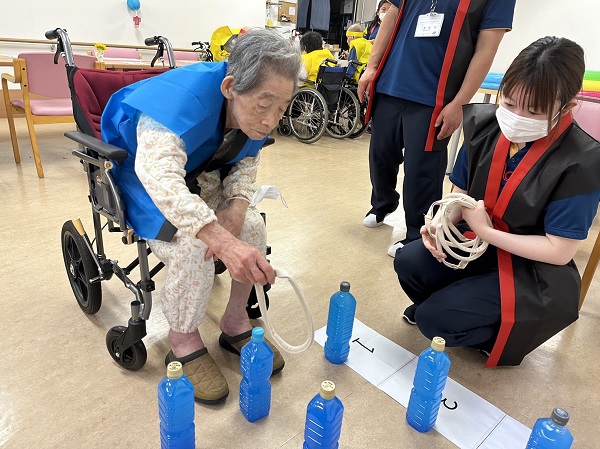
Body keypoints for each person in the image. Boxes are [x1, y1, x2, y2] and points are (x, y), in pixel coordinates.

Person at [100, 29, 302, 403]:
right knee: (193, 245)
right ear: (230, 87)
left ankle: (235, 321)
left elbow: (247, 159)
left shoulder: (253, 108)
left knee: (253, 228)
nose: (273, 119)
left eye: (283, 106)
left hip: (199, 167)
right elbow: (158, 176)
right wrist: (219, 239)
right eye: (266, 104)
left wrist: (237, 208)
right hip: (140, 172)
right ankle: (182, 339)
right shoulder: (179, 106)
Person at [394, 36, 600, 367]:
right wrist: (441, 222)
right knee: (409, 260)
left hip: (532, 271)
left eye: (534, 111)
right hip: (478, 243)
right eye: (509, 102)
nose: (516, 116)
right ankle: (453, 308)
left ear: (568, 106)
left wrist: (487, 233)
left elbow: (560, 252)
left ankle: (490, 335)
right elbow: (460, 193)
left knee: (434, 322)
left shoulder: (582, 161)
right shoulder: (484, 126)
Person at [357, 0, 515, 255]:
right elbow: (392, 16)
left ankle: (416, 237)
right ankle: (383, 203)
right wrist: (372, 67)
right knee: (380, 156)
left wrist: (459, 103)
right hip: (391, 84)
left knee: (422, 172)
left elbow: (487, 49)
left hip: (434, 99)